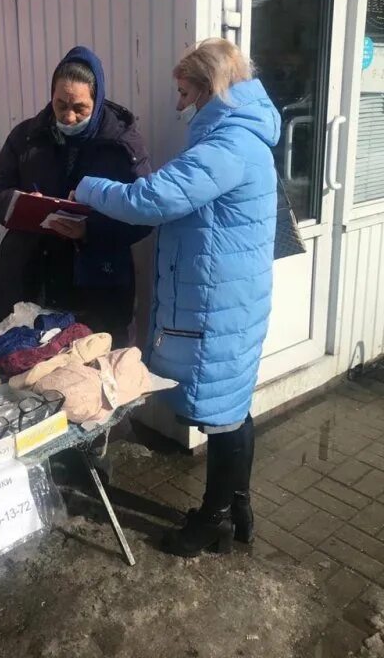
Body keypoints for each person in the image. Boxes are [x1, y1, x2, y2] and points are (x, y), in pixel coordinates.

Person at [74, 38, 280, 557]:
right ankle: (238, 508)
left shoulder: (227, 144)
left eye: (184, 89)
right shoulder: (242, 133)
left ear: (209, 87)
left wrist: (87, 188)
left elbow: (152, 199)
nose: (178, 100)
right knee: (233, 409)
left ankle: (210, 522)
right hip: (230, 295)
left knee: (222, 416)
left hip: (220, 302)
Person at [0, 46, 152, 347]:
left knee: (89, 369)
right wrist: (21, 205)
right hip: (30, 273)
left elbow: (145, 214)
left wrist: (90, 229)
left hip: (96, 280)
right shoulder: (27, 136)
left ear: (96, 102)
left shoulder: (121, 145)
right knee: (21, 363)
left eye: (80, 108)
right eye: (60, 105)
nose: (68, 117)